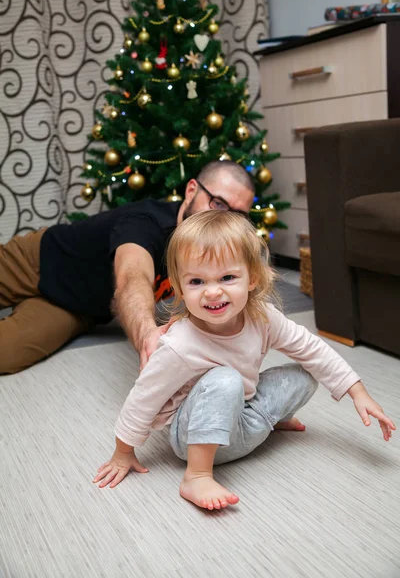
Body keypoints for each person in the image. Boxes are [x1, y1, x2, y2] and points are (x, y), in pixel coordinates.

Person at [93, 210, 395, 511]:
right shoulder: (179, 345)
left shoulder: (263, 318)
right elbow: (144, 397)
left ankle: (267, 423)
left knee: (304, 374)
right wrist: (123, 452)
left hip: (245, 416)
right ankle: (197, 476)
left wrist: (357, 391)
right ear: (179, 288)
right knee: (225, 379)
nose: (213, 292)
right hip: (193, 438)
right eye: (197, 281)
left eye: (227, 277)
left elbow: (312, 348)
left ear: (252, 278)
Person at [0, 161, 255, 375]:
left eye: (237, 216)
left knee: (7, 354)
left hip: (76, 308)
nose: (222, 220)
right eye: (218, 204)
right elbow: (133, 277)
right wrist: (148, 338)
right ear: (191, 191)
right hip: (34, 261)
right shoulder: (146, 224)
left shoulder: (214, 250)